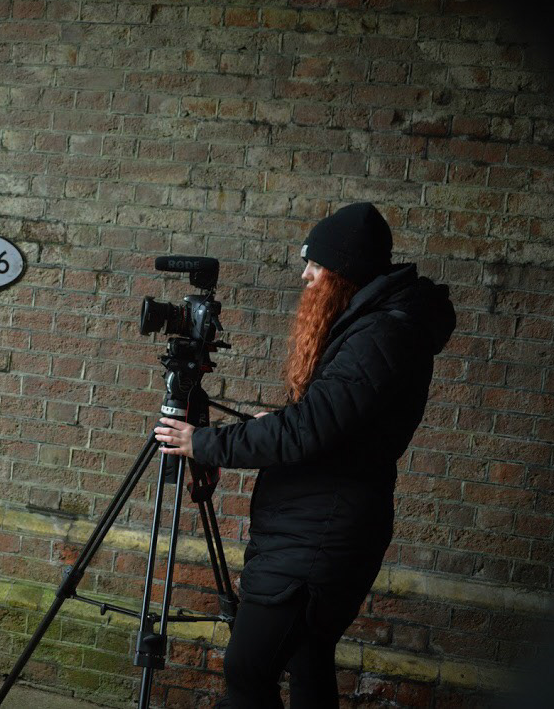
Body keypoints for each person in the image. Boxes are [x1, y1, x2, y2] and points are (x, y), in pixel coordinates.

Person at [153, 201, 456, 708]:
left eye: (315, 265)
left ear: (343, 272)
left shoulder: (381, 335)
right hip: (316, 528)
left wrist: (202, 442)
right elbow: (331, 421)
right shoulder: (375, 328)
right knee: (308, 660)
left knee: (248, 673)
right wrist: (277, 422)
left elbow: (309, 430)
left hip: (317, 539)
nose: (305, 275)